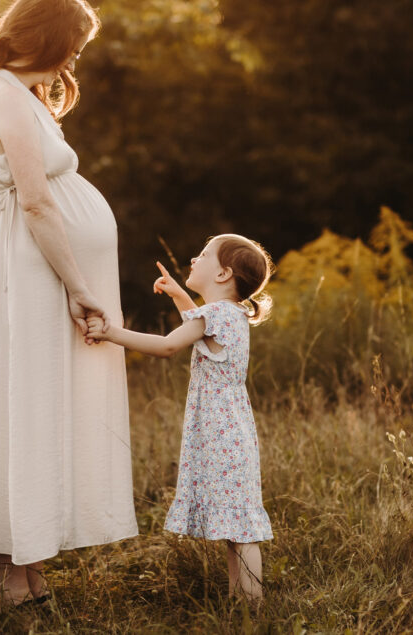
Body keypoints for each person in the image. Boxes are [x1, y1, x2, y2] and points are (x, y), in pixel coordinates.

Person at [0, 0, 138, 606]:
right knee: (24, 396)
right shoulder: (1, 98)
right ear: (50, 35)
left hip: (44, 263)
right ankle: (12, 565)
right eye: (72, 45)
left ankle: (32, 552)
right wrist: (79, 286)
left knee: (45, 399)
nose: (74, 59)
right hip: (33, 266)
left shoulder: (21, 93)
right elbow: (37, 199)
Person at [85, 234, 275, 601]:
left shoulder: (215, 315)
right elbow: (200, 327)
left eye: (203, 254)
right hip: (233, 432)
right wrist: (178, 295)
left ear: (222, 274)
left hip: (222, 436)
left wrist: (111, 332)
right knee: (239, 525)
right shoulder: (228, 315)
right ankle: (244, 603)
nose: (193, 258)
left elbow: (168, 345)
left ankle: (253, 606)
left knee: (242, 528)